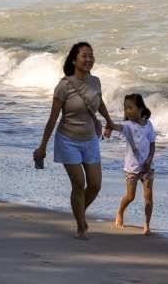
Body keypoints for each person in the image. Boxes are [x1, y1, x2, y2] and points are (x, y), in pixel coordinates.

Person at [33, 42, 116, 239]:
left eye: (91, 56)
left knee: (95, 185)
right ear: (74, 60)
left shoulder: (95, 82)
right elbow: (53, 118)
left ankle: (78, 212)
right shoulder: (64, 86)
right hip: (68, 140)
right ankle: (81, 226)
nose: (89, 59)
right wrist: (42, 146)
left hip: (90, 140)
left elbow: (99, 102)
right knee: (79, 183)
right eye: (84, 56)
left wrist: (109, 121)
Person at [113, 93, 156, 235]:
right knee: (130, 196)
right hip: (132, 168)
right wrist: (108, 127)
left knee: (148, 198)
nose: (127, 111)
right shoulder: (127, 125)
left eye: (130, 108)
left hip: (147, 168)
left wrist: (149, 160)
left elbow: (152, 144)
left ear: (140, 108)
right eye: (125, 108)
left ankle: (147, 225)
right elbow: (116, 126)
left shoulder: (148, 125)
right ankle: (120, 212)